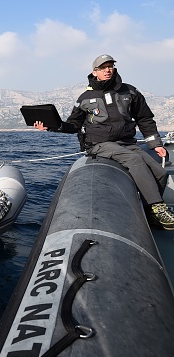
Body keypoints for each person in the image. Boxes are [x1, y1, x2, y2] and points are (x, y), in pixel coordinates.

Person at [33, 54, 174, 230]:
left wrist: (156, 145)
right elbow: (74, 124)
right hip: (98, 144)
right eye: (103, 67)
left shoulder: (130, 91)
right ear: (95, 72)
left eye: (111, 66)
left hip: (127, 142)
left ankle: (150, 215)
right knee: (134, 160)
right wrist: (52, 126)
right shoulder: (85, 97)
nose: (108, 70)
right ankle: (157, 207)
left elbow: (144, 119)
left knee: (160, 172)